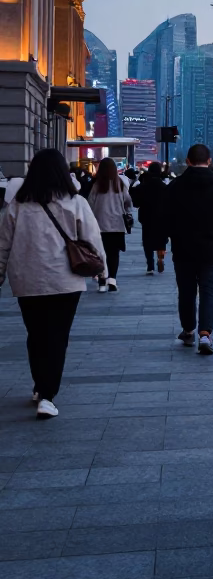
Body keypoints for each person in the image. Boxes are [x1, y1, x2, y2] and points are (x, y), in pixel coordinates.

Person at [0, 149, 107, 419]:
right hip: (65, 281)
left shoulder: (18, 204)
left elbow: (3, 245)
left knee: (36, 334)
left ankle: (40, 386)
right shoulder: (76, 202)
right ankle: (48, 396)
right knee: (57, 337)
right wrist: (102, 270)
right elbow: (93, 240)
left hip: (27, 280)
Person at [162, 144, 213, 355]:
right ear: (209, 160)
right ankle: (205, 334)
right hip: (212, 248)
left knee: (186, 292)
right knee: (209, 291)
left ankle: (188, 330)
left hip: (183, 248)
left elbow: (165, 217)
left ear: (187, 161)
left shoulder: (175, 186)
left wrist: (171, 238)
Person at [87, 158, 132, 293]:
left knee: (101, 254)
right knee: (114, 254)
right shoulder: (120, 184)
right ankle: (112, 280)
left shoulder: (97, 185)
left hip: (99, 226)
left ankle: (102, 282)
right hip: (117, 225)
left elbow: (90, 204)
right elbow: (128, 202)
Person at [130, 163, 168, 275]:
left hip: (146, 216)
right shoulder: (164, 187)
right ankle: (160, 258)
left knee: (147, 241)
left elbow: (136, 203)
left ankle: (150, 265)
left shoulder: (142, 187)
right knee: (161, 240)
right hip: (162, 216)